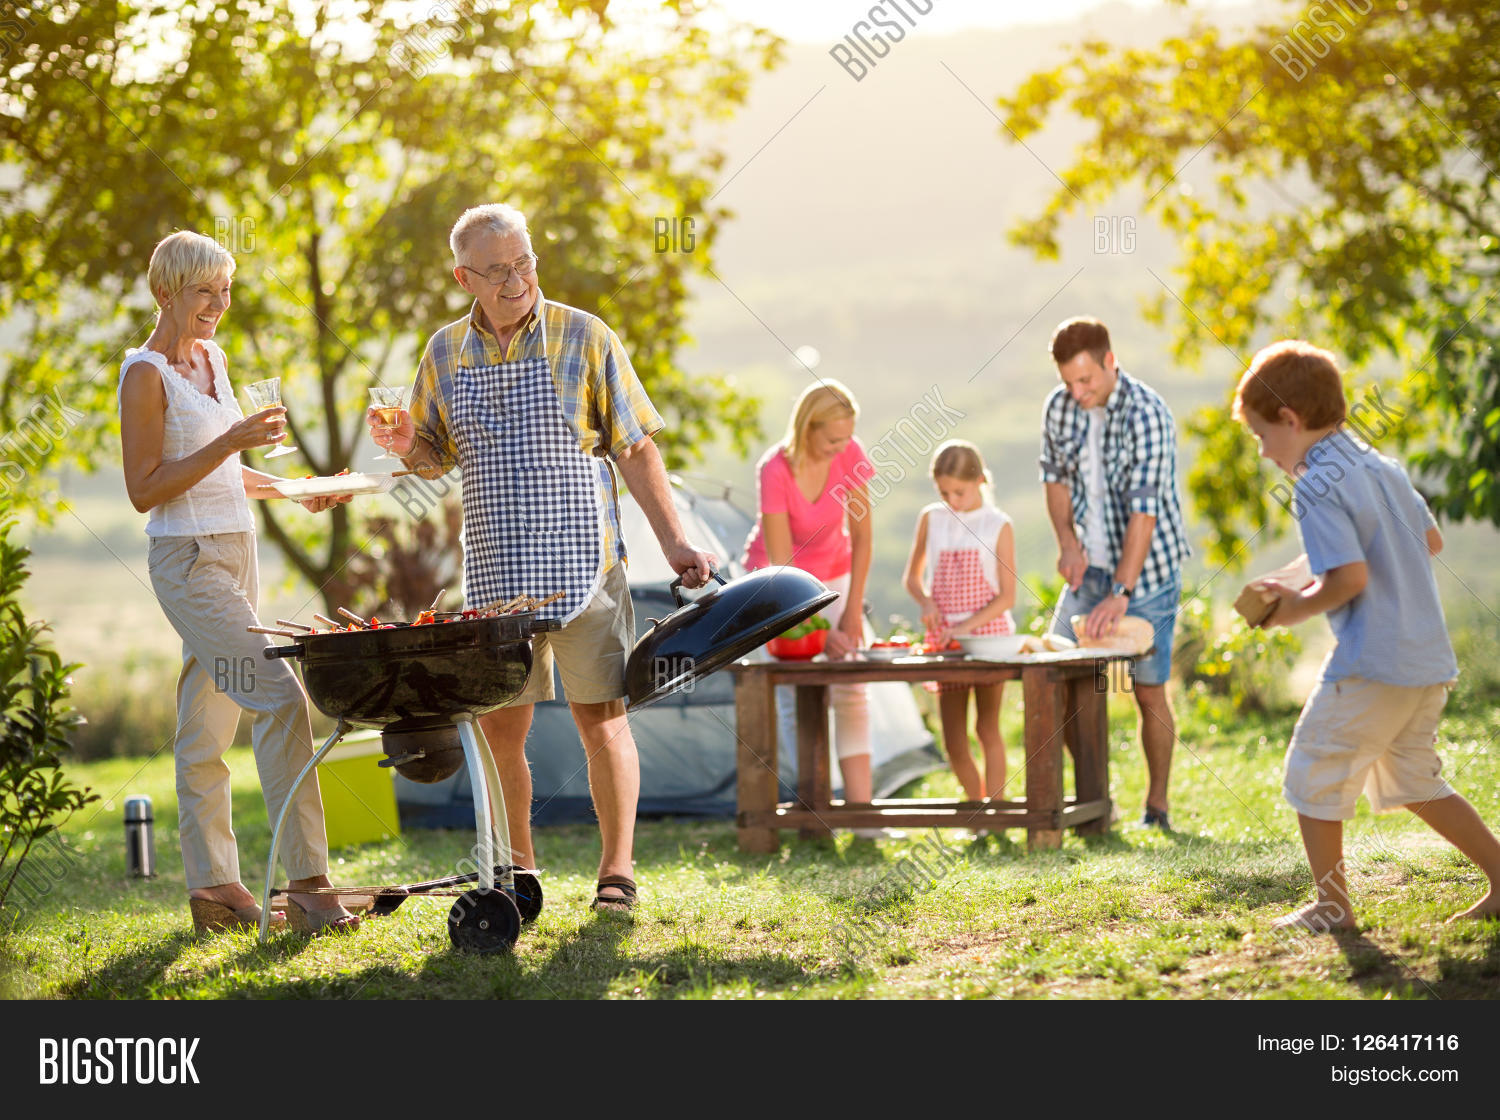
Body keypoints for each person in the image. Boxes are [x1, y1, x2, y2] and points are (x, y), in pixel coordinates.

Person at [370, 203, 716, 913]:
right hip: (497, 573)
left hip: (583, 565)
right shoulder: (443, 353)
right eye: (496, 270)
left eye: (523, 262)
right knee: (501, 729)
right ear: (463, 276)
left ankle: (615, 872)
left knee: (603, 719)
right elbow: (435, 456)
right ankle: (516, 877)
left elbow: (636, 447)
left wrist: (677, 540)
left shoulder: (584, 336)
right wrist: (408, 444)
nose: (515, 279)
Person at [119, 230, 359, 935]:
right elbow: (145, 489)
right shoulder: (145, 373)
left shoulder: (213, 358)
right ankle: (310, 887)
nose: (218, 305)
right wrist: (229, 440)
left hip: (236, 551)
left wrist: (292, 488)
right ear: (167, 292)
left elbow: (225, 475)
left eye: (225, 291)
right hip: (188, 561)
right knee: (281, 698)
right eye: (205, 292)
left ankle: (216, 891)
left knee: (205, 726)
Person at [1237, 340, 1500, 929]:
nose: (1263, 452)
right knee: (1413, 779)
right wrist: (1303, 571)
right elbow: (1428, 542)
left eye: (1262, 437)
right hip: (1426, 658)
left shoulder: (1312, 483)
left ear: (1289, 419)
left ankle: (1333, 906)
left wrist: (1290, 610)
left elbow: (1350, 577)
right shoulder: (1378, 465)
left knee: (1312, 766)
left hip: (1372, 662)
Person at [1039, 316, 1190, 829]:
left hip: (1147, 573)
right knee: (1052, 675)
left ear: (1110, 361)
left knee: (1148, 689)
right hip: (1091, 569)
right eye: (1068, 382)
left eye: (1086, 380)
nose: (1077, 392)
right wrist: (1068, 544)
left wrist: (1121, 592)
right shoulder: (1060, 408)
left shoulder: (1148, 414)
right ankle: (1095, 805)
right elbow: (1054, 479)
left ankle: (1158, 808)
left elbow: (1144, 513)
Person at [741, 379, 875, 810]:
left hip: (834, 579)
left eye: (847, 438)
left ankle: (860, 811)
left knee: (851, 686)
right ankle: (814, 808)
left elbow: (863, 539)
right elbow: (784, 571)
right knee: (792, 694)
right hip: (778, 586)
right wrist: (817, 632)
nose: (841, 448)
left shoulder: (849, 452)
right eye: (832, 439)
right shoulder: (774, 469)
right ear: (807, 427)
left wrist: (851, 613)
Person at [902, 440, 1016, 803]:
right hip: (945, 641)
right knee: (953, 737)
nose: (952, 499)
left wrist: (966, 627)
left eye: (960, 491)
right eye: (944, 492)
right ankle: (976, 806)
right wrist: (926, 602)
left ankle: (996, 811)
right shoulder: (931, 518)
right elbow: (912, 577)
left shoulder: (998, 525)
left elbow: (1007, 597)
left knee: (986, 727)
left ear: (981, 480)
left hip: (989, 639)